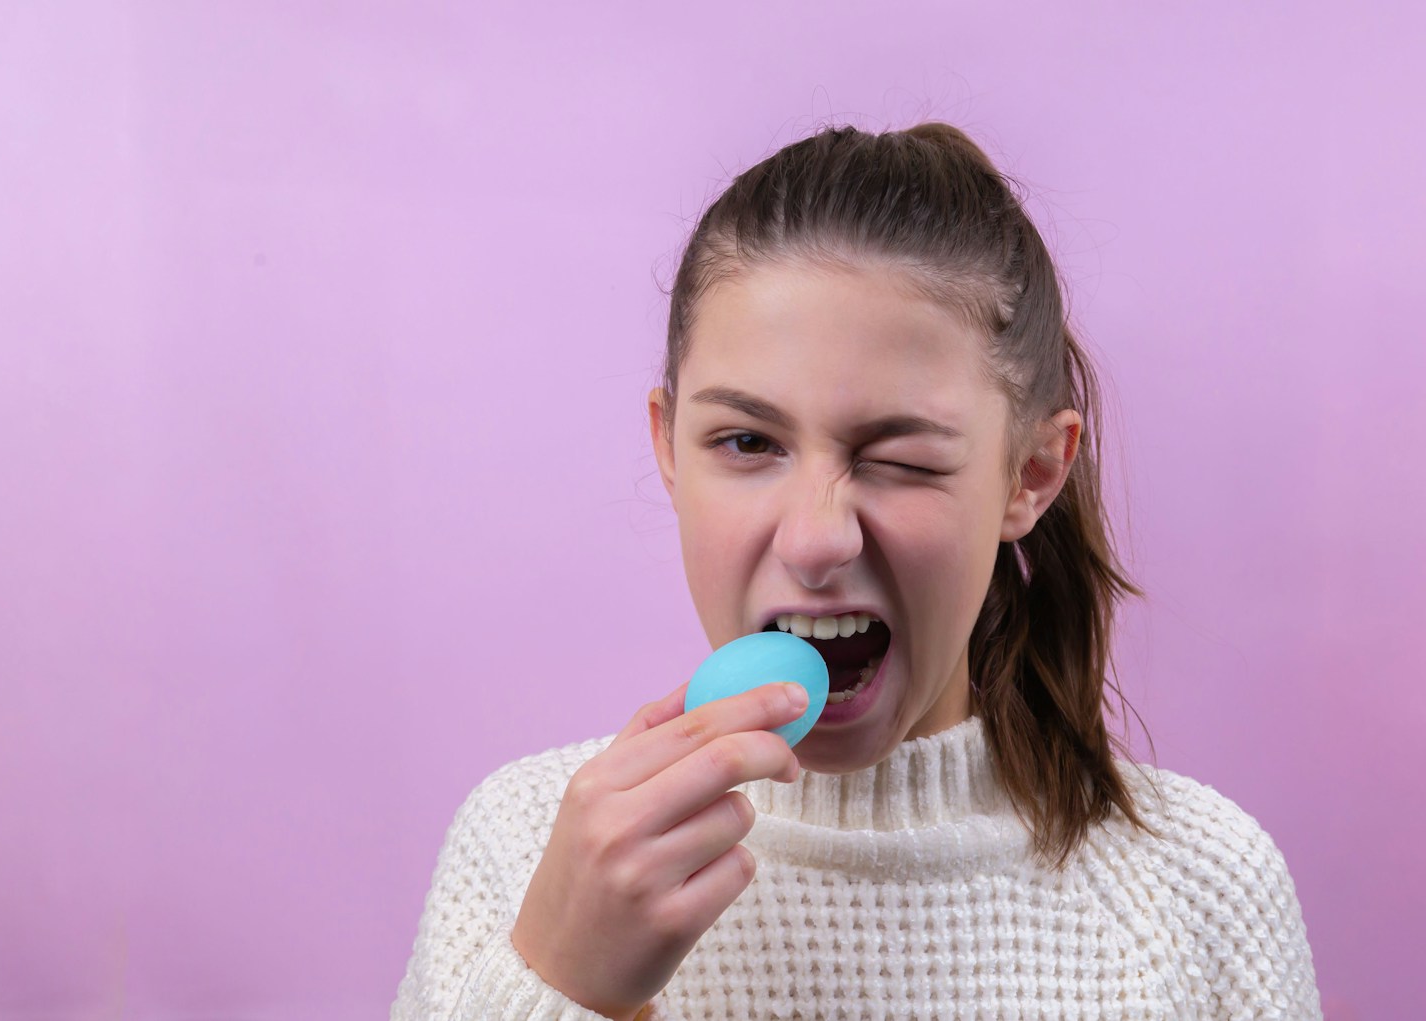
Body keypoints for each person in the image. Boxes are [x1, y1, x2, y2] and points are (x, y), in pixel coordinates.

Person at [391, 123, 1322, 1020]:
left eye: (904, 459)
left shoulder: (1203, 890)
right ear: (667, 447)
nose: (816, 538)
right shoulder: (523, 846)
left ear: (1032, 473)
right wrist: (562, 988)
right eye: (748, 441)